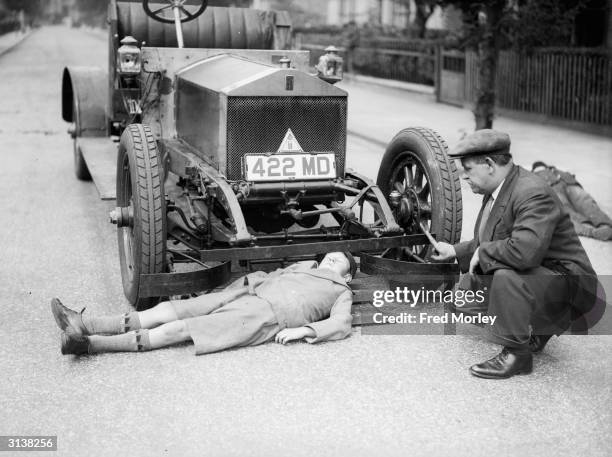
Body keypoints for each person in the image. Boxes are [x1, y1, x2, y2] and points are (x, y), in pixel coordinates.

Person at [432, 129, 598, 379]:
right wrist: (453, 251)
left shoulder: (532, 192)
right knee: (464, 300)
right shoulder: (499, 189)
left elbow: (524, 252)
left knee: (505, 277)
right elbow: (488, 241)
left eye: (467, 168)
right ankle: (539, 330)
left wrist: (483, 252)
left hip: (572, 284)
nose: (463, 175)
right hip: (546, 273)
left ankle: (517, 355)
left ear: (489, 164)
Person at [52, 252, 357, 356]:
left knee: (179, 329)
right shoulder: (304, 266)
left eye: (339, 259)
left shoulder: (341, 290)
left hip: (263, 315)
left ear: (348, 273)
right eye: (330, 255)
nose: (331, 258)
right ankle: (85, 323)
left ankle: (88, 343)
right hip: (245, 292)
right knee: (168, 309)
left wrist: (304, 331)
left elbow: (341, 324)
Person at [532, 161, 612, 241]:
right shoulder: (533, 176)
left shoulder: (556, 170)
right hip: (553, 188)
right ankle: (590, 230)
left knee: (586, 202)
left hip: (570, 184)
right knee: (565, 208)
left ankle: (605, 225)